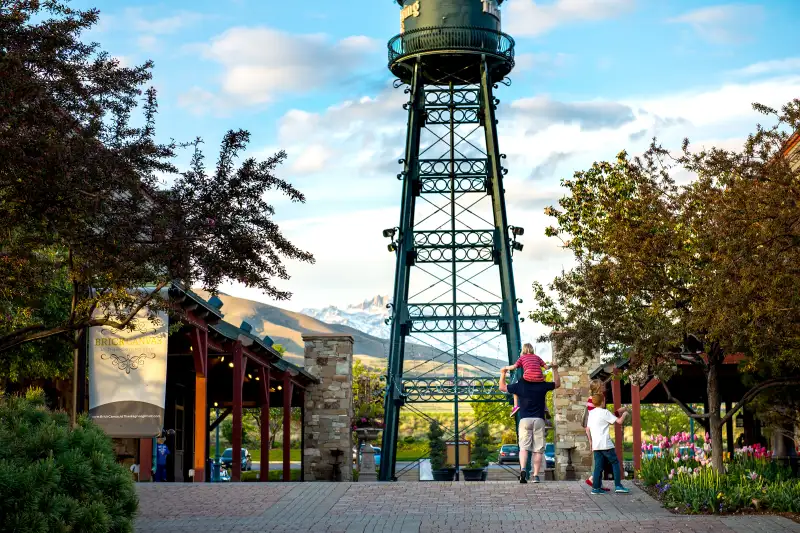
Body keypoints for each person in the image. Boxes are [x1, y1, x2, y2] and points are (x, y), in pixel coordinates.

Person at [499, 362, 560, 484]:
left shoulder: (520, 385)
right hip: (539, 420)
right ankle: (536, 475)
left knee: (523, 448)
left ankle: (523, 470)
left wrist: (503, 373)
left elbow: (502, 387)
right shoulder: (542, 385)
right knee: (538, 450)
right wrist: (555, 369)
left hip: (524, 420)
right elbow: (557, 384)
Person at [586, 392, 630, 494]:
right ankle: (618, 486)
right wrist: (624, 414)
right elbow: (619, 421)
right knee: (615, 463)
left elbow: (587, 429)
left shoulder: (591, 414)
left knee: (598, 467)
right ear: (602, 402)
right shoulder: (604, 412)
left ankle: (596, 488)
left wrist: (591, 442)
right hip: (605, 444)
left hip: (596, 445)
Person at [501, 343, 548, 417]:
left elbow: (514, 367)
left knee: (516, 386)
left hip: (528, 378)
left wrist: (505, 368)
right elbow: (546, 367)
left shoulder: (522, 358)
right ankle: (545, 407)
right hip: (539, 379)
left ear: (523, 350)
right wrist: (552, 365)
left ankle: (516, 406)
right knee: (542, 390)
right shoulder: (537, 357)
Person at [582, 379, 611, 491]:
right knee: (600, 458)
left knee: (602, 457)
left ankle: (598, 483)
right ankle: (593, 479)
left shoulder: (599, 398)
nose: (605, 385)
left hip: (599, 432)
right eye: (602, 384)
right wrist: (590, 440)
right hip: (596, 433)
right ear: (598, 387)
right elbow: (594, 418)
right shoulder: (593, 400)